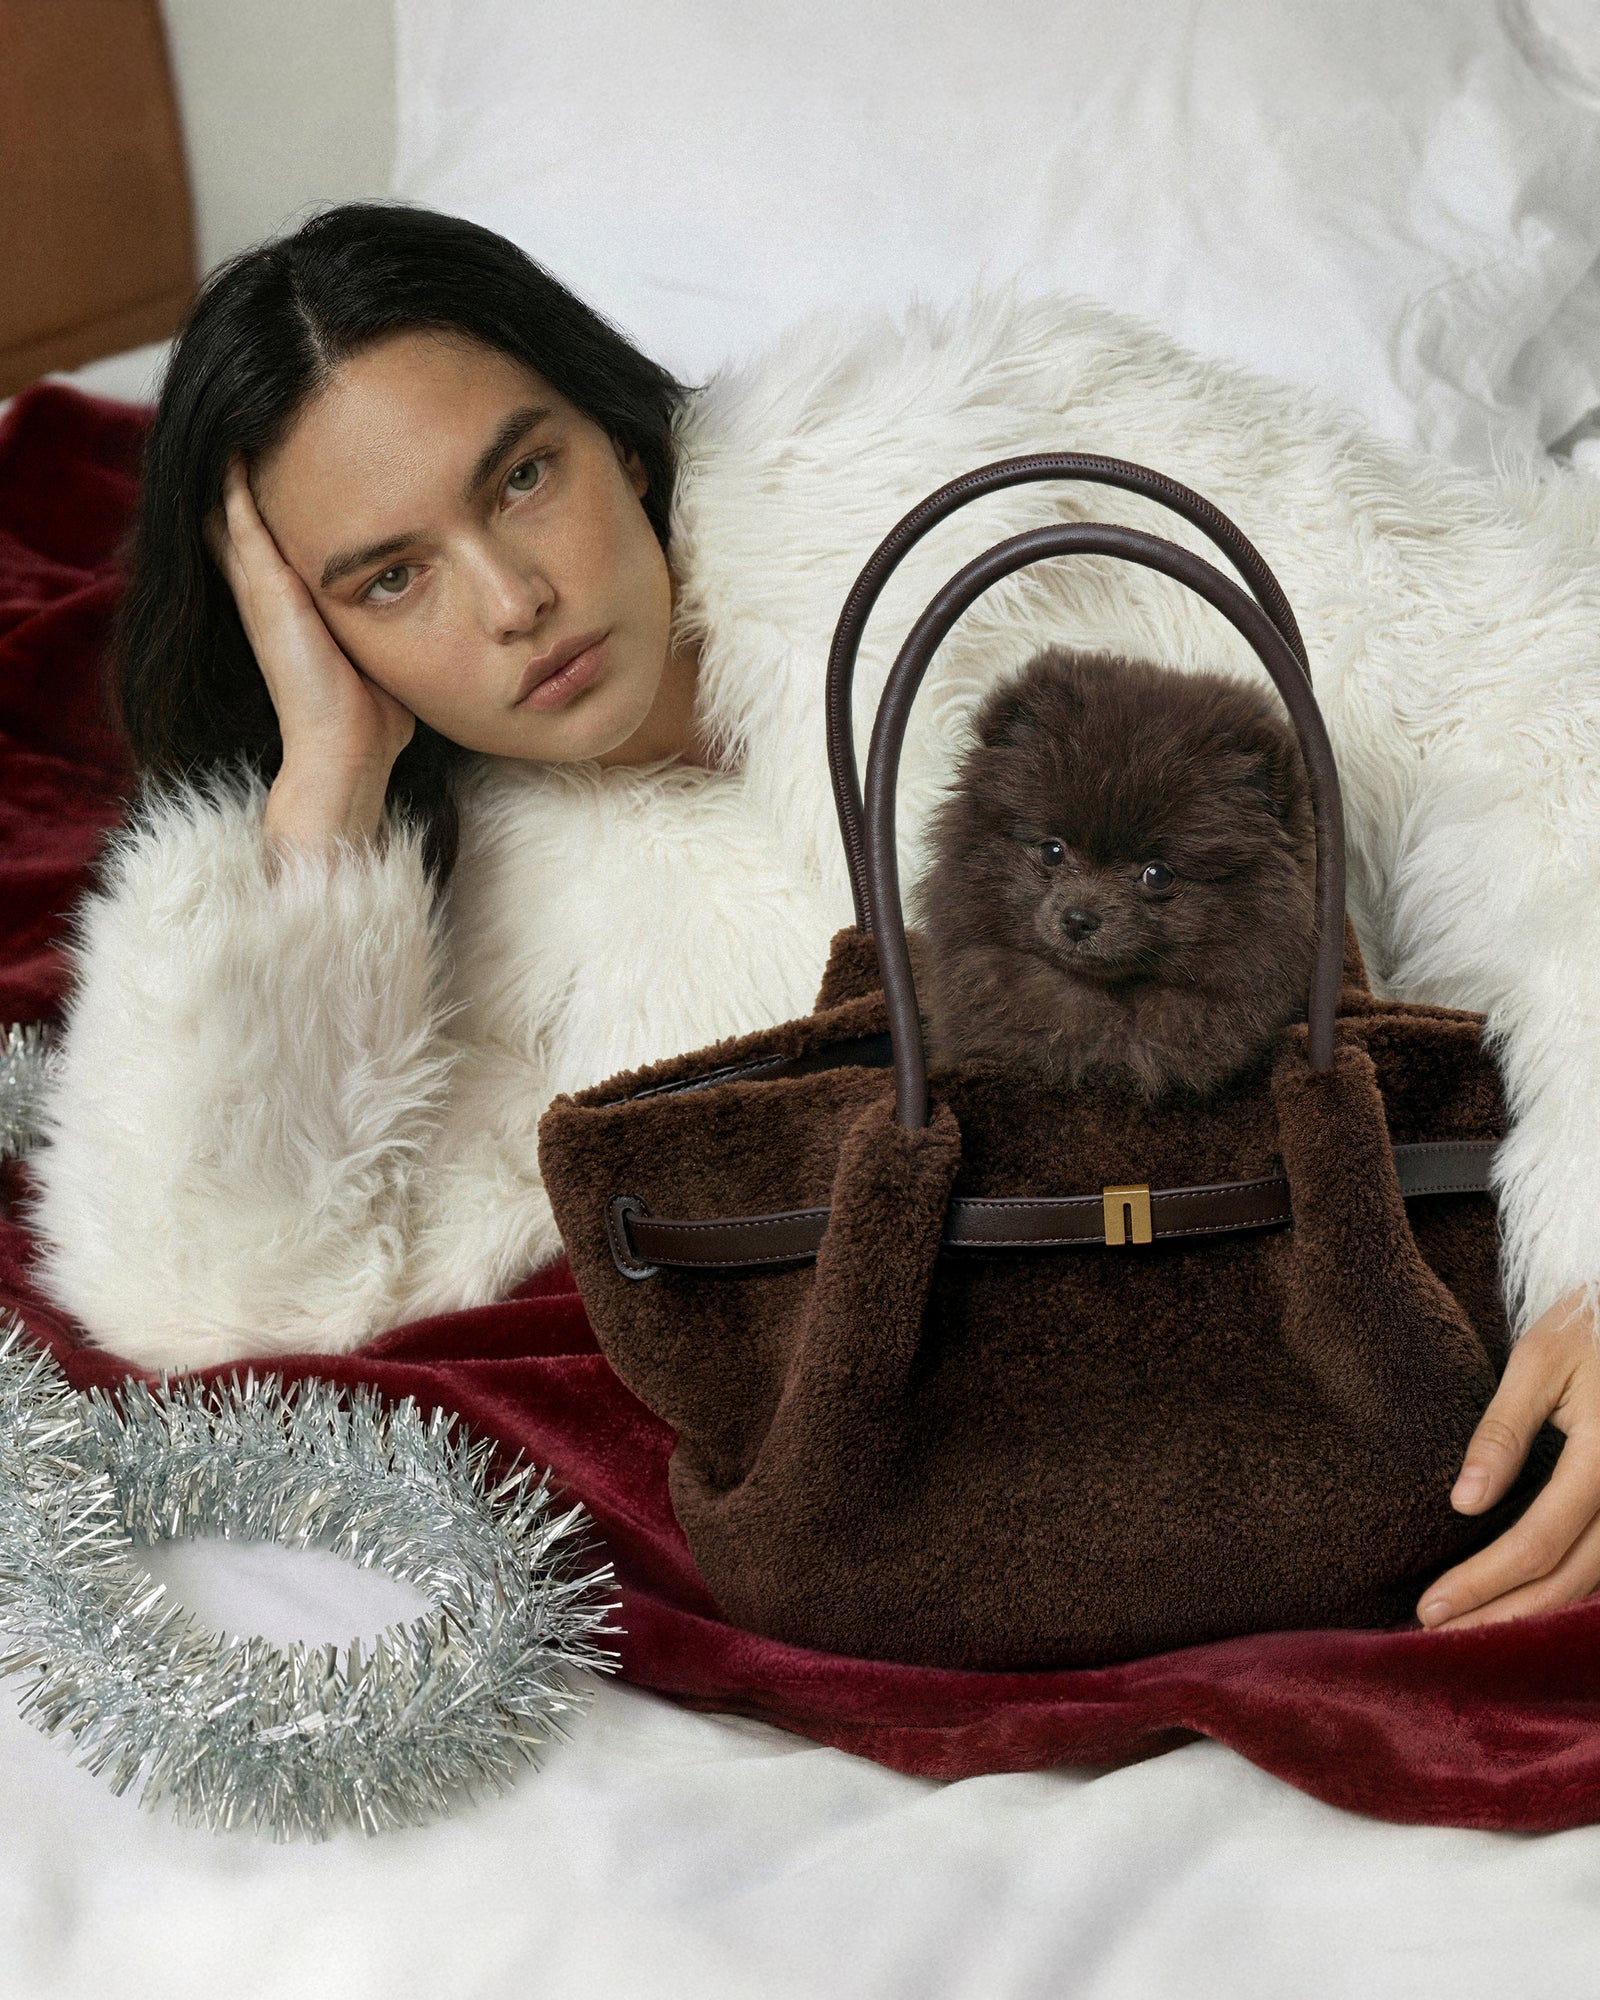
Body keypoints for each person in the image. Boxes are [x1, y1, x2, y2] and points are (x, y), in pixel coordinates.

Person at [22, 202, 1600, 1638]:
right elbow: (221, 1291)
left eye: (521, 476)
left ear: (616, 439)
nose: (511, 600)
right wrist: (319, 793)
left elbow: (1539, 699)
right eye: (387, 581)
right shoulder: (481, 938)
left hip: (1393, 1328)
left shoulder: (993, 461)